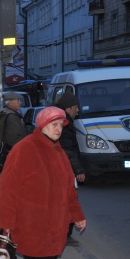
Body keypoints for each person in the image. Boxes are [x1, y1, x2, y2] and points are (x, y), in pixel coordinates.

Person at [0, 106, 86, 259]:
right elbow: (8, 190)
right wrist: (6, 224)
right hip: (32, 227)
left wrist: (77, 215)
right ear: (43, 124)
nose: (59, 129)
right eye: (54, 125)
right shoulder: (23, 149)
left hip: (56, 229)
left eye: (61, 125)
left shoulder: (59, 152)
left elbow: (69, 190)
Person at [56, 92, 86, 239]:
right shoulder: (63, 125)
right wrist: (78, 169)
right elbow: (67, 150)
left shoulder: (63, 122)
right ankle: (64, 235)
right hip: (64, 171)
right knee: (68, 201)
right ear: (68, 108)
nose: (78, 110)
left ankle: (64, 234)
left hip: (62, 169)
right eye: (75, 107)